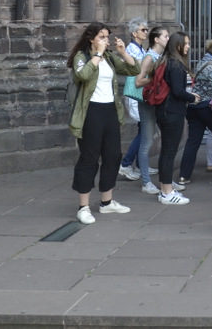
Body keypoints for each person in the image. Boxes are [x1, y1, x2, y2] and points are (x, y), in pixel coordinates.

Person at [67, 22, 140, 224]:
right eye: (101, 37)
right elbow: (83, 75)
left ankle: (107, 202)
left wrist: (123, 52)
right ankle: (83, 207)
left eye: (107, 37)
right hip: (91, 111)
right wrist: (97, 54)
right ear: (91, 38)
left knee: (112, 156)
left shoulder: (109, 57)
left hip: (110, 111)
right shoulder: (82, 57)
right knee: (89, 158)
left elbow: (134, 69)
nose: (105, 40)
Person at [177, 35, 212, 184]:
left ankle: (184, 176)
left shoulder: (202, 62)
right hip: (209, 108)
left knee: (192, 142)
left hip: (194, 106)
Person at [150, 32, 197, 205]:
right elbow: (178, 91)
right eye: (186, 43)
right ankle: (167, 192)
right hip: (172, 111)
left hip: (164, 110)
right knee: (169, 152)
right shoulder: (176, 64)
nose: (188, 47)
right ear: (177, 45)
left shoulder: (165, 60)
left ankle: (166, 186)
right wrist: (192, 97)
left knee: (166, 151)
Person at [118, 19, 159, 188]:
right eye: (143, 29)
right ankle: (126, 163)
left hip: (141, 93)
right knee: (145, 132)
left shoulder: (140, 49)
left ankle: (141, 165)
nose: (146, 32)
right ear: (134, 33)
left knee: (145, 131)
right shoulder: (132, 49)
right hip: (136, 94)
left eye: (146, 29)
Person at [129, 26, 167, 194]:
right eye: (165, 36)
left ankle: (166, 180)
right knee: (146, 142)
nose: (168, 39)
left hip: (158, 102)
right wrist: (155, 78)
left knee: (164, 140)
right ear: (156, 39)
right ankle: (146, 182)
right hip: (148, 103)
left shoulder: (160, 56)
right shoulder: (149, 57)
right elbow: (138, 81)